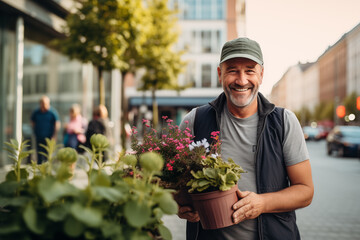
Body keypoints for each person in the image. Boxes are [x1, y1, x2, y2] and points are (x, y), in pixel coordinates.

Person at [178, 37, 314, 240]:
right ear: (219, 74)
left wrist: (262, 203)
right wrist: (181, 206)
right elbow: (176, 186)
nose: (241, 80)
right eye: (232, 70)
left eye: (250, 70)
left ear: (261, 74)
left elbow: (305, 191)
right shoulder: (194, 120)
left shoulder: (284, 122)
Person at [31, 95, 61, 164]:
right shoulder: (36, 112)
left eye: (47, 104)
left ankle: (47, 170)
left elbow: (57, 124)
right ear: (40, 104)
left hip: (49, 138)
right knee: (39, 154)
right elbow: (32, 122)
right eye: (43, 104)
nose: (45, 105)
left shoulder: (52, 112)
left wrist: (55, 135)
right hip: (39, 137)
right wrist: (35, 131)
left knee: (48, 155)